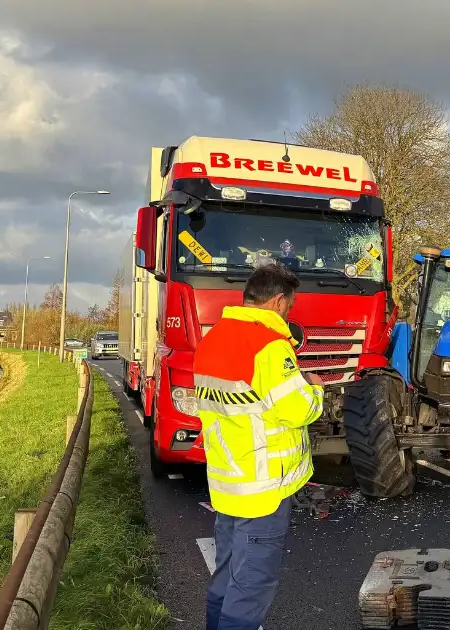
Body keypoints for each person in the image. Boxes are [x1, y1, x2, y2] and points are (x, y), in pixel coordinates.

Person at [193, 262, 324, 630]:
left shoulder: (214, 338)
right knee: (251, 585)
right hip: (262, 490)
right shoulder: (269, 345)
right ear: (279, 303)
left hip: (226, 483)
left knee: (227, 575)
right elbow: (297, 411)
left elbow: (244, 401)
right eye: (290, 306)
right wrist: (314, 386)